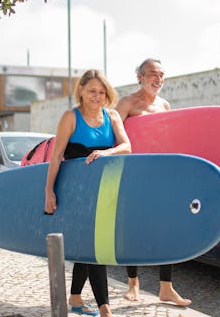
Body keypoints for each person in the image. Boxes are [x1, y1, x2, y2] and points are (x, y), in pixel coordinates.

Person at [45, 69, 131, 317]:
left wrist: (107, 152)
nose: (97, 96)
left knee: (88, 245)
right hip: (77, 195)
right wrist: (49, 190)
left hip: (106, 192)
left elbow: (127, 146)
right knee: (95, 247)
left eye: (102, 92)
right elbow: (56, 157)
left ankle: (74, 297)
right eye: (92, 90)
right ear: (81, 90)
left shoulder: (112, 116)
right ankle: (105, 309)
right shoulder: (70, 117)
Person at [115, 58, 192, 307]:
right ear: (139, 76)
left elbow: (169, 140)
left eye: (161, 75)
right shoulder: (127, 103)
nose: (157, 79)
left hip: (160, 174)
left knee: (165, 229)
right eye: (152, 74)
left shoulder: (164, 105)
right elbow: (113, 137)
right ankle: (133, 284)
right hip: (133, 174)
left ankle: (166, 288)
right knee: (133, 229)